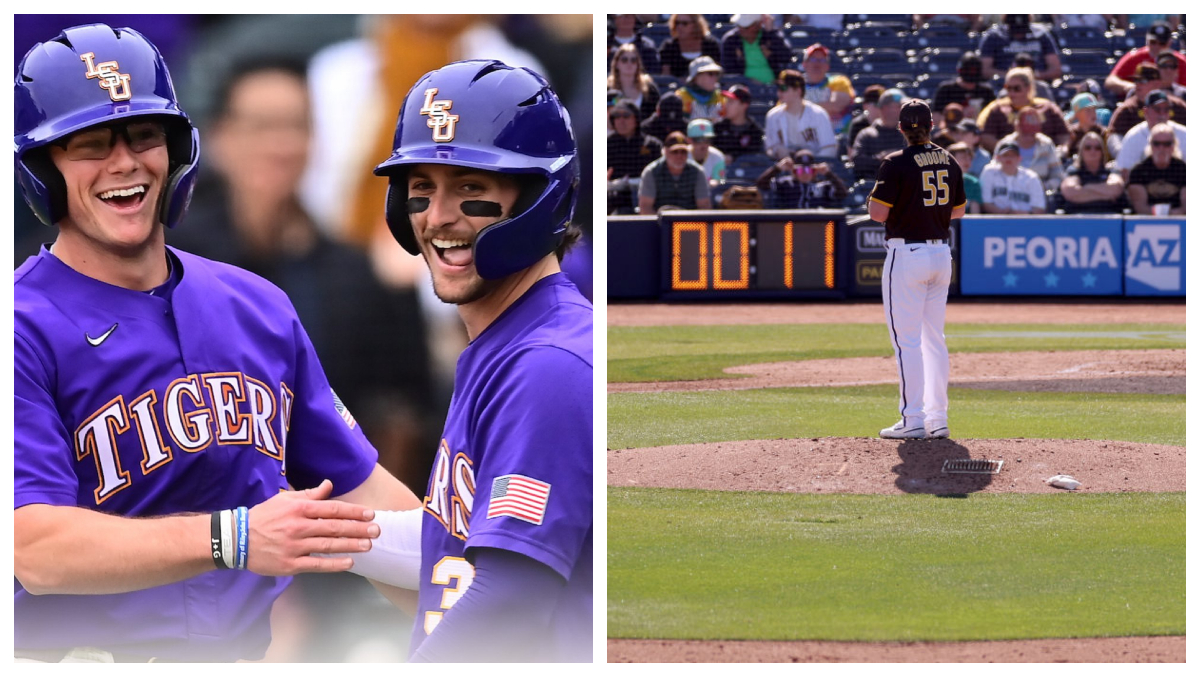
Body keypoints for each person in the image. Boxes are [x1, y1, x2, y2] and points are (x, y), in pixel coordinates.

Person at [14, 23, 421, 663]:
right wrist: (232, 537)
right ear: (43, 170)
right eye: (91, 143)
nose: (125, 162)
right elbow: (33, 547)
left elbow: (362, 499)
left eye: (146, 136)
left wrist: (480, 601)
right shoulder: (20, 327)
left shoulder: (257, 305)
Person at [371, 59, 593, 662]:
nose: (438, 217)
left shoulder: (548, 363)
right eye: (421, 188)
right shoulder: (507, 344)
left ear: (540, 200)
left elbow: (511, 596)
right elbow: (453, 556)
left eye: (471, 189)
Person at [866, 100, 965, 440]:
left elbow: (877, 213)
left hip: (907, 254)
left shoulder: (895, 163)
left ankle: (912, 419)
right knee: (934, 340)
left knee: (906, 342)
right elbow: (959, 211)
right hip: (940, 253)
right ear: (932, 125)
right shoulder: (949, 159)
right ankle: (938, 419)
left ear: (901, 128)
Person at [977, 66, 1070, 152]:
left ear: (1028, 88)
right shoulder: (998, 109)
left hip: (1044, 157)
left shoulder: (1047, 107)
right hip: (1009, 160)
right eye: (1008, 88)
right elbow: (987, 137)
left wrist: (1061, 150)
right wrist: (1008, 151)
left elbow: (1064, 134)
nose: (1011, 92)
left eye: (1016, 88)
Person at [764, 69, 837, 159]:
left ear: (798, 91)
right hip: (785, 166)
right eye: (778, 88)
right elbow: (769, 149)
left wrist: (811, 162)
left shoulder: (818, 114)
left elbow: (829, 148)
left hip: (814, 167)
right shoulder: (773, 116)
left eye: (783, 88)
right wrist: (777, 150)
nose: (779, 92)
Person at [1105, 21, 1186, 99]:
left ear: (1170, 43)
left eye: (1162, 43)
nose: (1157, 46)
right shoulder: (1135, 57)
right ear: (1147, 41)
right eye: (1153, 42)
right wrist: (1133, 87)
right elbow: (1110, 81)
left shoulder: (1180, 61)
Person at [607, 100, 662, 214]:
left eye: (626, 116)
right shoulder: (606, 145)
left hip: (647, 195)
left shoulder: (652, 145)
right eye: (617, 116)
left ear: (636, 119)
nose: (621, 121)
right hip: (614, 197)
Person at [1114, 90, 1186, 177]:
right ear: (1146, 111)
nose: (1162, 114)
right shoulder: (1133, 136)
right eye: (1157, 109)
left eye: (1166, 109)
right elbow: (1124, 171)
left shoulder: (1184, 134)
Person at [638, 131, 712, 213]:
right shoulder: (651, 172)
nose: (679, 156)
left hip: (690, 223)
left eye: (683, 152)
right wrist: (660, 225)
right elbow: (645, 207)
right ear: (665, 151)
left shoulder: (698, 172)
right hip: (660, 223)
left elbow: (704, 207)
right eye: (675, 152)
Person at [995, 106, 1065, 191]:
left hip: (1040, 194)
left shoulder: (1046, 144)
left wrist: (1042, 187)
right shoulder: (1004, 144)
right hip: (1008, 193)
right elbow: (995, 171)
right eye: (1025, 133)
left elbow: (1058, 176)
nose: (1029, 137)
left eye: (1032, 133)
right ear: (1017, 127)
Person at [1108, 65, 1186, 139]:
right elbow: (1114, 135)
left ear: (1157, 83)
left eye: (1143, 81)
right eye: (1136, 80)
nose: (1137, 84)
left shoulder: (1176, 106)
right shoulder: (1128, 109)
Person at [977, 14, 1062, 81]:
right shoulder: (994, 36)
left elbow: (1055, 69)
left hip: (1038, 83)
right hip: (1005, 86)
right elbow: (986, 70)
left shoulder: (1041, 34)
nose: (1019, 35)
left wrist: (1030, 77)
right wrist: (1015, 77)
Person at [755, 148, 847, 209]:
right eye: (800, 170)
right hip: (790, 224)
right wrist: (778, 168)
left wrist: (828, 174)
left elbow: (843, 194)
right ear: (794, 171)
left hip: (818, 224)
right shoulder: (785, 183)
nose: (804, 173)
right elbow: (761, 184)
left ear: (814, 171)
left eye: (808, 170)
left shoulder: (823, 186)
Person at [1058, 131, 1126, 214]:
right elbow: (1070, 192)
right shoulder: (1074, 171)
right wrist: (1106, 195)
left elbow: (1116, 188)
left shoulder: (1110, 170)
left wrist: (1084, 188)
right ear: (1081, 151)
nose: (1092, 151)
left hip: (1109, 216)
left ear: (1102, 152)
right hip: (1078, 217)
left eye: (1097, 148)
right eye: (1088, 147)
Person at [1126, 123, 1186, 215]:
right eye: (1156, 143)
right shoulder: (1138, 171)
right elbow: (1141, 208)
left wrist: (1167, 216)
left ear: (1174, 146)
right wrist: (1162, 215)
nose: (1161, 148)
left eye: (1167, 144)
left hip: (1178, 221)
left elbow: (1185, 208)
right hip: (1146, 222)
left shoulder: (1183, 170)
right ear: (1150, 145)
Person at [851, 88, 909, 180]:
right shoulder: (867, 134)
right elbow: (857, 161)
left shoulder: (907, 134)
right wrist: (880, 158)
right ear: (885, 108)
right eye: (899, 106)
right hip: (874, 187)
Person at [719, 13, 791, 84]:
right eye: (739, 25)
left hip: (774, 88)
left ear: (758, 25)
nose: (741, 29)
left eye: (746, 27)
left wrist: (771, 33)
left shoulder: (770, 36)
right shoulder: (730, 40)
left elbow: (786, 57)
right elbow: (729, 71)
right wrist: (748, 82)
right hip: (742, 90)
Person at [980, 140, 1047, 214]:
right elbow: (985, 203)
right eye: (1005, 155)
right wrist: (1003, 213)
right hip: (997, 220)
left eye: (1012, 155)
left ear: (1019, 158)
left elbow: (1039, 208)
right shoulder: (989, 172)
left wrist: (1018, 214)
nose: (1009, 158)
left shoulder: (1031, 177)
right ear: (998, 158)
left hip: (1026, 221)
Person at [801, 43, 855, 133]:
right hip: (804, 137)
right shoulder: (796, 85)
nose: (817, 63)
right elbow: (784, 109)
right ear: (804, 64)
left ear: (827, 66)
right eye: (813, 59)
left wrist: (800, 108)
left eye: (822, 60)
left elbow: (836, 106)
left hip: (837, 136)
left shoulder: (839, 81)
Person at [932, 52, 996, 125]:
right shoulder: (946, 90)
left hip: (979, 131)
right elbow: (935, 118)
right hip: (952, 131)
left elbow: (995, 116)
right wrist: (958, 115)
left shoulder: (986, 91)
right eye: (968, 70)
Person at [658, 14, 722, 79]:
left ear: (696, 24)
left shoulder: (710, 45)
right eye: (677, 23)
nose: (679, 27)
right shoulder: (669, 46)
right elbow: (666, 76)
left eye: (684, 23)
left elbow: (717, 72)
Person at [608, 43, 660, 122]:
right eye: (624, 60)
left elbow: (656, 117)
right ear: (617, 64)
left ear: (638, 64)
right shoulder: (607, 89)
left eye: (633, 60)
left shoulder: (650, 90)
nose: (629, 64)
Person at [712, 84, 765, 159]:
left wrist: (733, 157)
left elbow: (753, 161)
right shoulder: (717, 128)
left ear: (744, 105)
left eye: (731, 102)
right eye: (726, 101)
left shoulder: (755, 133)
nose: (726, 105)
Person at [678, 56, 727, 122]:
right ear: (696, 76)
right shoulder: (681, 97)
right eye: (710, 74)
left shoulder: (721, 97)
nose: (715, 78)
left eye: (716, 74)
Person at [1062, 92, 1109, 159]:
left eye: (1094, 109)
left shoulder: (1103, 132)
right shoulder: (1071, 133)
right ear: (1077, 113)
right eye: (1088, 110)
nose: (1093, 113)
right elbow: (1064, 150)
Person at [687, 118, 727, 185]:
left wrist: (718, 182)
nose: (703, 144)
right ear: (689, 140)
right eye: (698, 139)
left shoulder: (718, 156)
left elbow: (723, 182)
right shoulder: (681, 154)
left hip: (710, 193)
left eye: (707, 139)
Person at [947, 142, 983, 213]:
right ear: (950, 160)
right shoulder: (939, 181)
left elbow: (975, 214)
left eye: (970, 158)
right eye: (963, 157)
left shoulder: (973, 183)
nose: (967, 161)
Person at [846, 84, 885, 148]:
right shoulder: (858, 124)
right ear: (865, 106)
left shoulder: (890, 123)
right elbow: (851, 153)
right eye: (877, 104)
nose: (881, 108)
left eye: (884, 104)